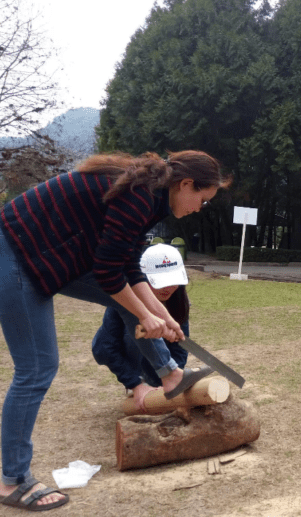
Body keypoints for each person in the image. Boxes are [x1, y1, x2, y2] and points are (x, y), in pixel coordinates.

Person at [0, 150, 228, 511]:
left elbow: (129, 269)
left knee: (128, 303)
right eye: (203, 198)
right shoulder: (140, 196)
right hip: (15, 252)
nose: (201, 207)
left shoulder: (150, 200)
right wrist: (146, 315)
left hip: (46, 256)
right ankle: (12, 481)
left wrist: (161, 315)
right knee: (37, 368)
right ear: (185, 184)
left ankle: (170, 376)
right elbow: (108, 274)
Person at [92, 244, 191, 412]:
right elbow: (104, 348)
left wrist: (171, 379)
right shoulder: (123, 301)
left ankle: (167, 378)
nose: (168, 288)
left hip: (162, 378)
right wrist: (135, 383)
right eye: (160, 282)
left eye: (173, 281)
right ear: (141, 278)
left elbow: (180, 349)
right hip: (136, 375)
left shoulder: (178, 301)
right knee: (137, 331)